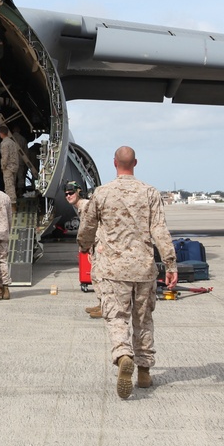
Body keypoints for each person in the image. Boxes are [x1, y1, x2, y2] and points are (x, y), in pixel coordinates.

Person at [77, 146, 178, 400]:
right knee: (143, 320)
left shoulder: (102, 193)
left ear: (114, 163)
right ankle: (144, 372)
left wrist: (83, 244)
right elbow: (160, 231)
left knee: (117, 317)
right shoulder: (150, 192)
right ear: (136, 162)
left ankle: (123, 355)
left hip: (113, 270)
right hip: (144, 269)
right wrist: (171, 264)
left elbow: (87, 227)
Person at [66, 180, 102, 319]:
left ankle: (105, 307)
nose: (68, 196)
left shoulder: (86, 206)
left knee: (99, 275)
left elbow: (91, 227)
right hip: (95, 243)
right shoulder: (82, 206)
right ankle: (101, 303)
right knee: (95, 275)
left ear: (78, 193)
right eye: (67, 194)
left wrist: (86, 245)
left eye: (71, 193)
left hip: (98, 243)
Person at [0, 125, 20, 209]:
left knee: (9, 186)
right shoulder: (12, 142)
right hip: (14, 166)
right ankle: (13, 203)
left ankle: (12, 204)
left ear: (0, 133)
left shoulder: (4, 143)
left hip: (8, 168)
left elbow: (5, 157)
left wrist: (3, 166)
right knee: (12, 185)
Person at [11, 125, 30, 197]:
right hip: (20, 161)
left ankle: (13, 191)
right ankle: (20, 191)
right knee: (20, 176)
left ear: (13, 130)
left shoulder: (9, 139)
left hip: (12, 162)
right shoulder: (23, 139)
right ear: (19, 130)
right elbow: (26, 152)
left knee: (12, 177)